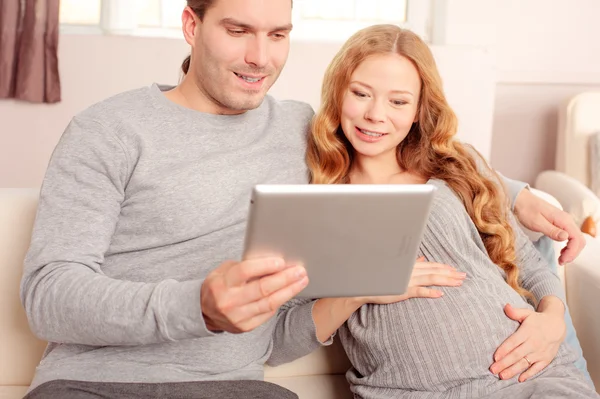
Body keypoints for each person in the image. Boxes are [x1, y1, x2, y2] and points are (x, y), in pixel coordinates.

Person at [19, 0, 587, 397]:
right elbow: (48, 295)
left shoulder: (303, 132)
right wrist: (196, 306)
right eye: (238, 30)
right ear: (191, 25)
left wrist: (519, 194)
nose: (259, 58)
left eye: (278, 35)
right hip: (95, 386)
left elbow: (414, 153)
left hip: (233, 389)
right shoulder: (108, 130)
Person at [267, 24, 597, 398]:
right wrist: (361, 289)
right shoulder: (313, 197)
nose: (376, 114)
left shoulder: (456, 166)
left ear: (419, 110)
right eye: (360, 93)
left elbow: (530, 264)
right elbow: (277, 341)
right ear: (338, 93)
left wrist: (552, 320)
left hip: (531, 380)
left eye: (398, 101)